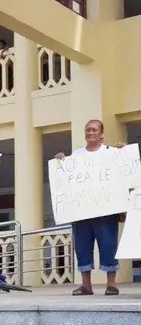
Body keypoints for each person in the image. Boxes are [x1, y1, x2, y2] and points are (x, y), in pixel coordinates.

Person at [55, 119, 122, 296]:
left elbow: (122, 172)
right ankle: (86, 285)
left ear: (102, 134)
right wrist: (61, 162)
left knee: (108, 245)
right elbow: (66, 179)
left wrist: (123, 153)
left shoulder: (112, 152)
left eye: (94, 130)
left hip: (106, 210)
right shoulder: (76, 156)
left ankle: (111, 284)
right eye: (87, 130)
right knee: (83, 247)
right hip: (81, 211)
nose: (90, 132)